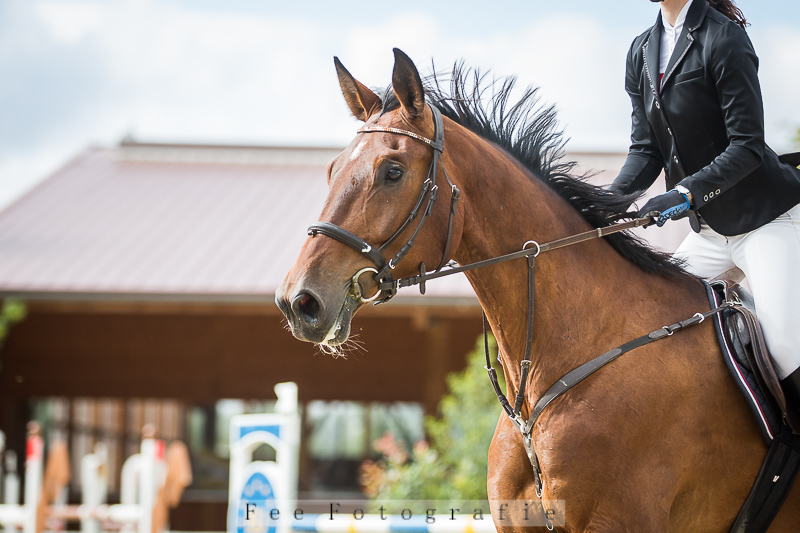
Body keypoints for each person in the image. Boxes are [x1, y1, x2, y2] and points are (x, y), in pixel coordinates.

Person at [610, 0, 800, 403]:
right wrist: (610, 200)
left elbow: (747, 146)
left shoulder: (725, 37)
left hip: (766, 220)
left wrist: (683, 194)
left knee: (784, 348)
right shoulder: (641, 50)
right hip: (710, 233)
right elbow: (646, 149)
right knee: (657, 329)